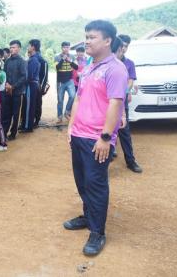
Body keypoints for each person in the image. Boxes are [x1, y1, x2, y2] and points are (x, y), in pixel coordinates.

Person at [64, 20, 128, 256]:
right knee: (82, 181)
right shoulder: (89, 67)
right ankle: (88, 215)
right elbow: (79, 98)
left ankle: (97, 231)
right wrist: (71, 127)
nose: (87, 41)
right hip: (79, 135)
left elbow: (115, 103)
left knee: (96, 185)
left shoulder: (115, 69)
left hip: (96, 139)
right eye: (86, 36)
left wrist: (105, 137)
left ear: (107, 40)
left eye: (91, 37)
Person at [116, 34, 143, 173]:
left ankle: (130, 161)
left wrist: (124, 93)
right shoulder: (106, 62)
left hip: (121, 104)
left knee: (124, 132)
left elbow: (130, 81)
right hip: (105, 104)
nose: (124, 48)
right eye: (122, 45)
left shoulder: (129, 63)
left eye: (126, 46)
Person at [2, 40, 27, 140]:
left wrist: (13, 86)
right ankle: (3, 132)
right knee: (6, 113)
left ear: (19, 48)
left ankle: (13, 133)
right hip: (7, 91)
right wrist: (7, 84)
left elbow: (24, 77)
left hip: (17, 92)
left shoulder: (22, 61)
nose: (12, 49)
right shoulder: (7, 61)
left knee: (16, 113)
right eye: (11, 47)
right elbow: (4, 74)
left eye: (14, 47)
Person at [20, 39, 41, 133]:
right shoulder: (33, 58)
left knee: (29, 106)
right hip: (32, 84)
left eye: (29, 45)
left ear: (33, 47)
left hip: (31, 85)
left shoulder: (33, 59)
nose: (28, 47)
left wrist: (21, 82)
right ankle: (26, 125)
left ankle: (28, 127)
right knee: (28, 105)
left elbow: (29, 76)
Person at [54, 42, 78, 123]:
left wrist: (69, 61)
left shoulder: (72, 56)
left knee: (73, 96)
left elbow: (76, 67)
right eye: (64, 47)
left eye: (67, 47)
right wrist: (63, 59)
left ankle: (67, 112)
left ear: (69, 48)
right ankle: (59, 116)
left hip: (70, 80)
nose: (66, 49)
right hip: (60, 81)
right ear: (62, 48)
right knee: (60, 100)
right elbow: (57, 68)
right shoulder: (57, 57)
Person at [34, 42, 49, 128]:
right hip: (36, 86)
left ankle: (36, 120)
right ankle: (36, 120)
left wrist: (41, 87)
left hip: (38, 86)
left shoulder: (42, 61)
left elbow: (44, 76)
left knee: (37, 103)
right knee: (36, 103)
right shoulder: (33, 59)